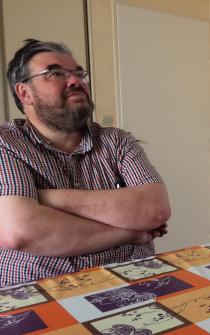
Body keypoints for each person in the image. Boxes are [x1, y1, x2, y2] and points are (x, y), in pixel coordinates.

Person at [0, 39, 171, 287]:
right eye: (55, 73)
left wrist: (46, 198)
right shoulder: (6, 143)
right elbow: (21, 232)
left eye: (79, 73)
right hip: (41, 296)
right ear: (24, 93)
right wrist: (131, 232)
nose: (75, 81)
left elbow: (155, 210)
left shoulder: (117, 141)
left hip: (132, 283)